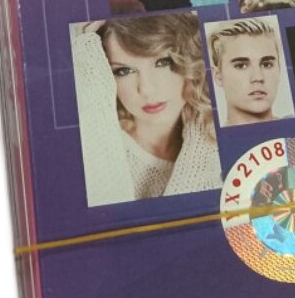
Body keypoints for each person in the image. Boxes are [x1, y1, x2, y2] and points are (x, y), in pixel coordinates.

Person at [71, 13, 221, 205]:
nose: (147, 89)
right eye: (124, 71)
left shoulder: (218, 138)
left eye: (163, 62)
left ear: (191, 60)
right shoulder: (92, 151)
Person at [208, 19, 286, 126]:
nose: (258, 77)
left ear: (279, 69)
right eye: (241, 66)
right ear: (218, 76)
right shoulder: (210, 135)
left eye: (267, 65)